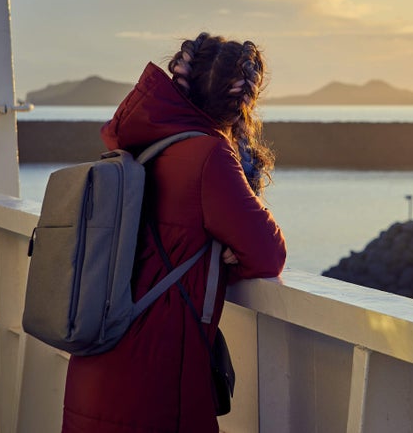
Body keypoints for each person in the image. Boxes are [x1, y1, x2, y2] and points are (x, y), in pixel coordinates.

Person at [62, 33, 287, 433]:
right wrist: (226, 255)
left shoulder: (135, 147)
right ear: (240, 105)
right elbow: (268, 252)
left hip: (95, 364)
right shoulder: (209, 156)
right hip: (158, 378)